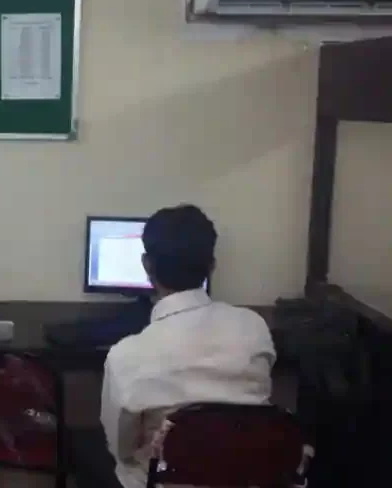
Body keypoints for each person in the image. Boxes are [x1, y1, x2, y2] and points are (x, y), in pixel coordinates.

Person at [75, 204, 276, 488]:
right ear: (212, 265)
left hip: (162, 482)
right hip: (244, 478)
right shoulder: (253, 327)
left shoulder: (126, 356)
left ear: (147, 265)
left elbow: (121, 449)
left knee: (82, 443)